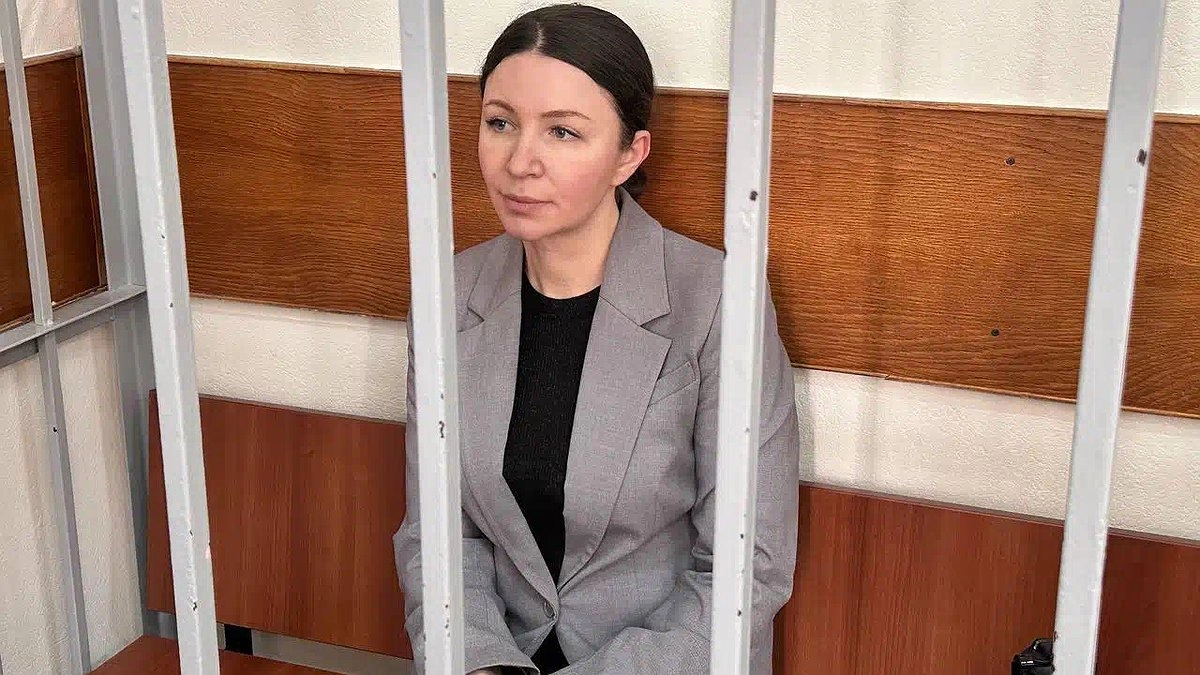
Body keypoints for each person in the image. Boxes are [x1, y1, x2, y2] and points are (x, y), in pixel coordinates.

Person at [394, 4, 800, 674]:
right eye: (500, 122)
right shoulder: (448, 293)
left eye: (563, 131)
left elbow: (745, 567)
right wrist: (483, 663)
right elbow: (435, 534)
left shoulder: (716, 299)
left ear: (629, 154)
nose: (520, 162)